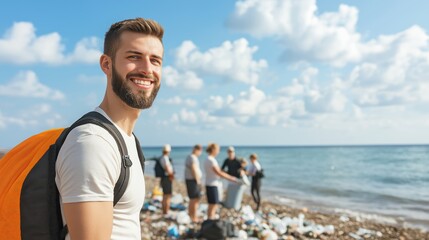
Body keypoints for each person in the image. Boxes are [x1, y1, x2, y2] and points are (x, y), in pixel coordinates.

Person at [55, 18, 164, 239]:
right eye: (134, 57)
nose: (147, 69)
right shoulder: (92, 143)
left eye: (155, 60)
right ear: (106, 64)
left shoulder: (127, 139)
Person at [204, 143, 238, 219]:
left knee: (212, 204)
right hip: (212, 184)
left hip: (209, 183)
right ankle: (210, 220)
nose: (218, 151)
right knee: (213, 204)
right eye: (218, 150)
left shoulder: (208, 159)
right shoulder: (211, 160)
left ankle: (210, 219)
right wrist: (231, 178)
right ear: (213, 150)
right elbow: (219, 172)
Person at [184, 144, 203, 223]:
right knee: (195, 199)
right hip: (193, 180)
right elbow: (193, 169)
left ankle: (191, 215)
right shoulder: (193, 157)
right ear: (198, 150)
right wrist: (198, 180)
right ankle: (194, 217)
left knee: (192, 199)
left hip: (189, 180)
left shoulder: (189, 156)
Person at [159, 144, 174, 216]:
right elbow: (167, 168)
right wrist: (171, 175)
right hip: (166, 178)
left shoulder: (162, 157)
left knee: (165, 195)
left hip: (164, 178)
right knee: (167, 195)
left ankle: (165, 210)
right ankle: (166, 211)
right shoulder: (165, 158)